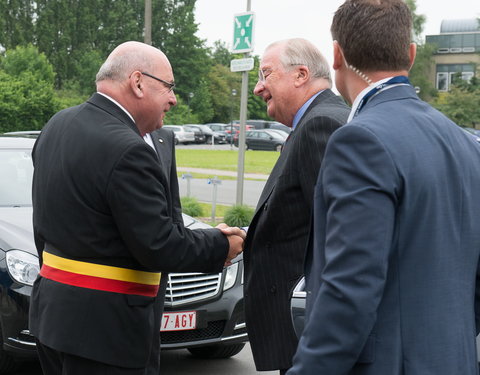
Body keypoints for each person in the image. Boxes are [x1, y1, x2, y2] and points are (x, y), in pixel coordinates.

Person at [29, 41, 245, 375]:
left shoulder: (57, 125)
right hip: (106, 332)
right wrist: (222, 245)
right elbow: (158, 245)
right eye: (169, 87)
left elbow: (47, 229)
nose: (173, 99)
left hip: (53, 318)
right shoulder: (128, 148)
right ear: (138, 82)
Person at [288, 1, 480, 374]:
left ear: (337, 54)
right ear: (410, 53)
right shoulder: (467, 143)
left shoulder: (359, 140)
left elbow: (349, 290)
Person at [243, 38, 350, 374]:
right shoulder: (313, 123)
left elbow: (340, 237)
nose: (258, 87)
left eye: (266, 74)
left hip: (307, 335)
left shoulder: (322, 125)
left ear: (301, 74)